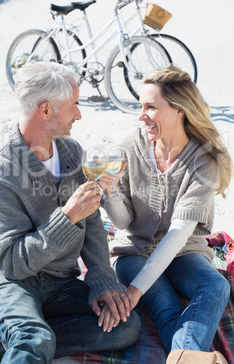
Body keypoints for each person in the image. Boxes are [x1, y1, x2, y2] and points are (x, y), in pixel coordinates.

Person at [0, 61, 140, 363]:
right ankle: (24, 334)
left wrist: (101, 278)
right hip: (2, 272)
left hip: (57, 275)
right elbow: (12, 263)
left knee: (125, 325)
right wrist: (67, 217)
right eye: (73, 105)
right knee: (35, 339)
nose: (79, 114)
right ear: (45, 110)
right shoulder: (1, 174)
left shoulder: (71, 152)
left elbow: (92, 221)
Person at [99, 65, 233, 354]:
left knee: (216, 286)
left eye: (150, 107)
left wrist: (135, 291)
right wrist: (110, 192)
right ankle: (193, 359)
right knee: (166, 306)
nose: (141, 115)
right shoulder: (130, 146)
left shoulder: (203, 161)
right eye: (140, 106)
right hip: (133, 252)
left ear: (179, 110)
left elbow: (178, 234)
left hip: (185, 250)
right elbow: (123, 223)